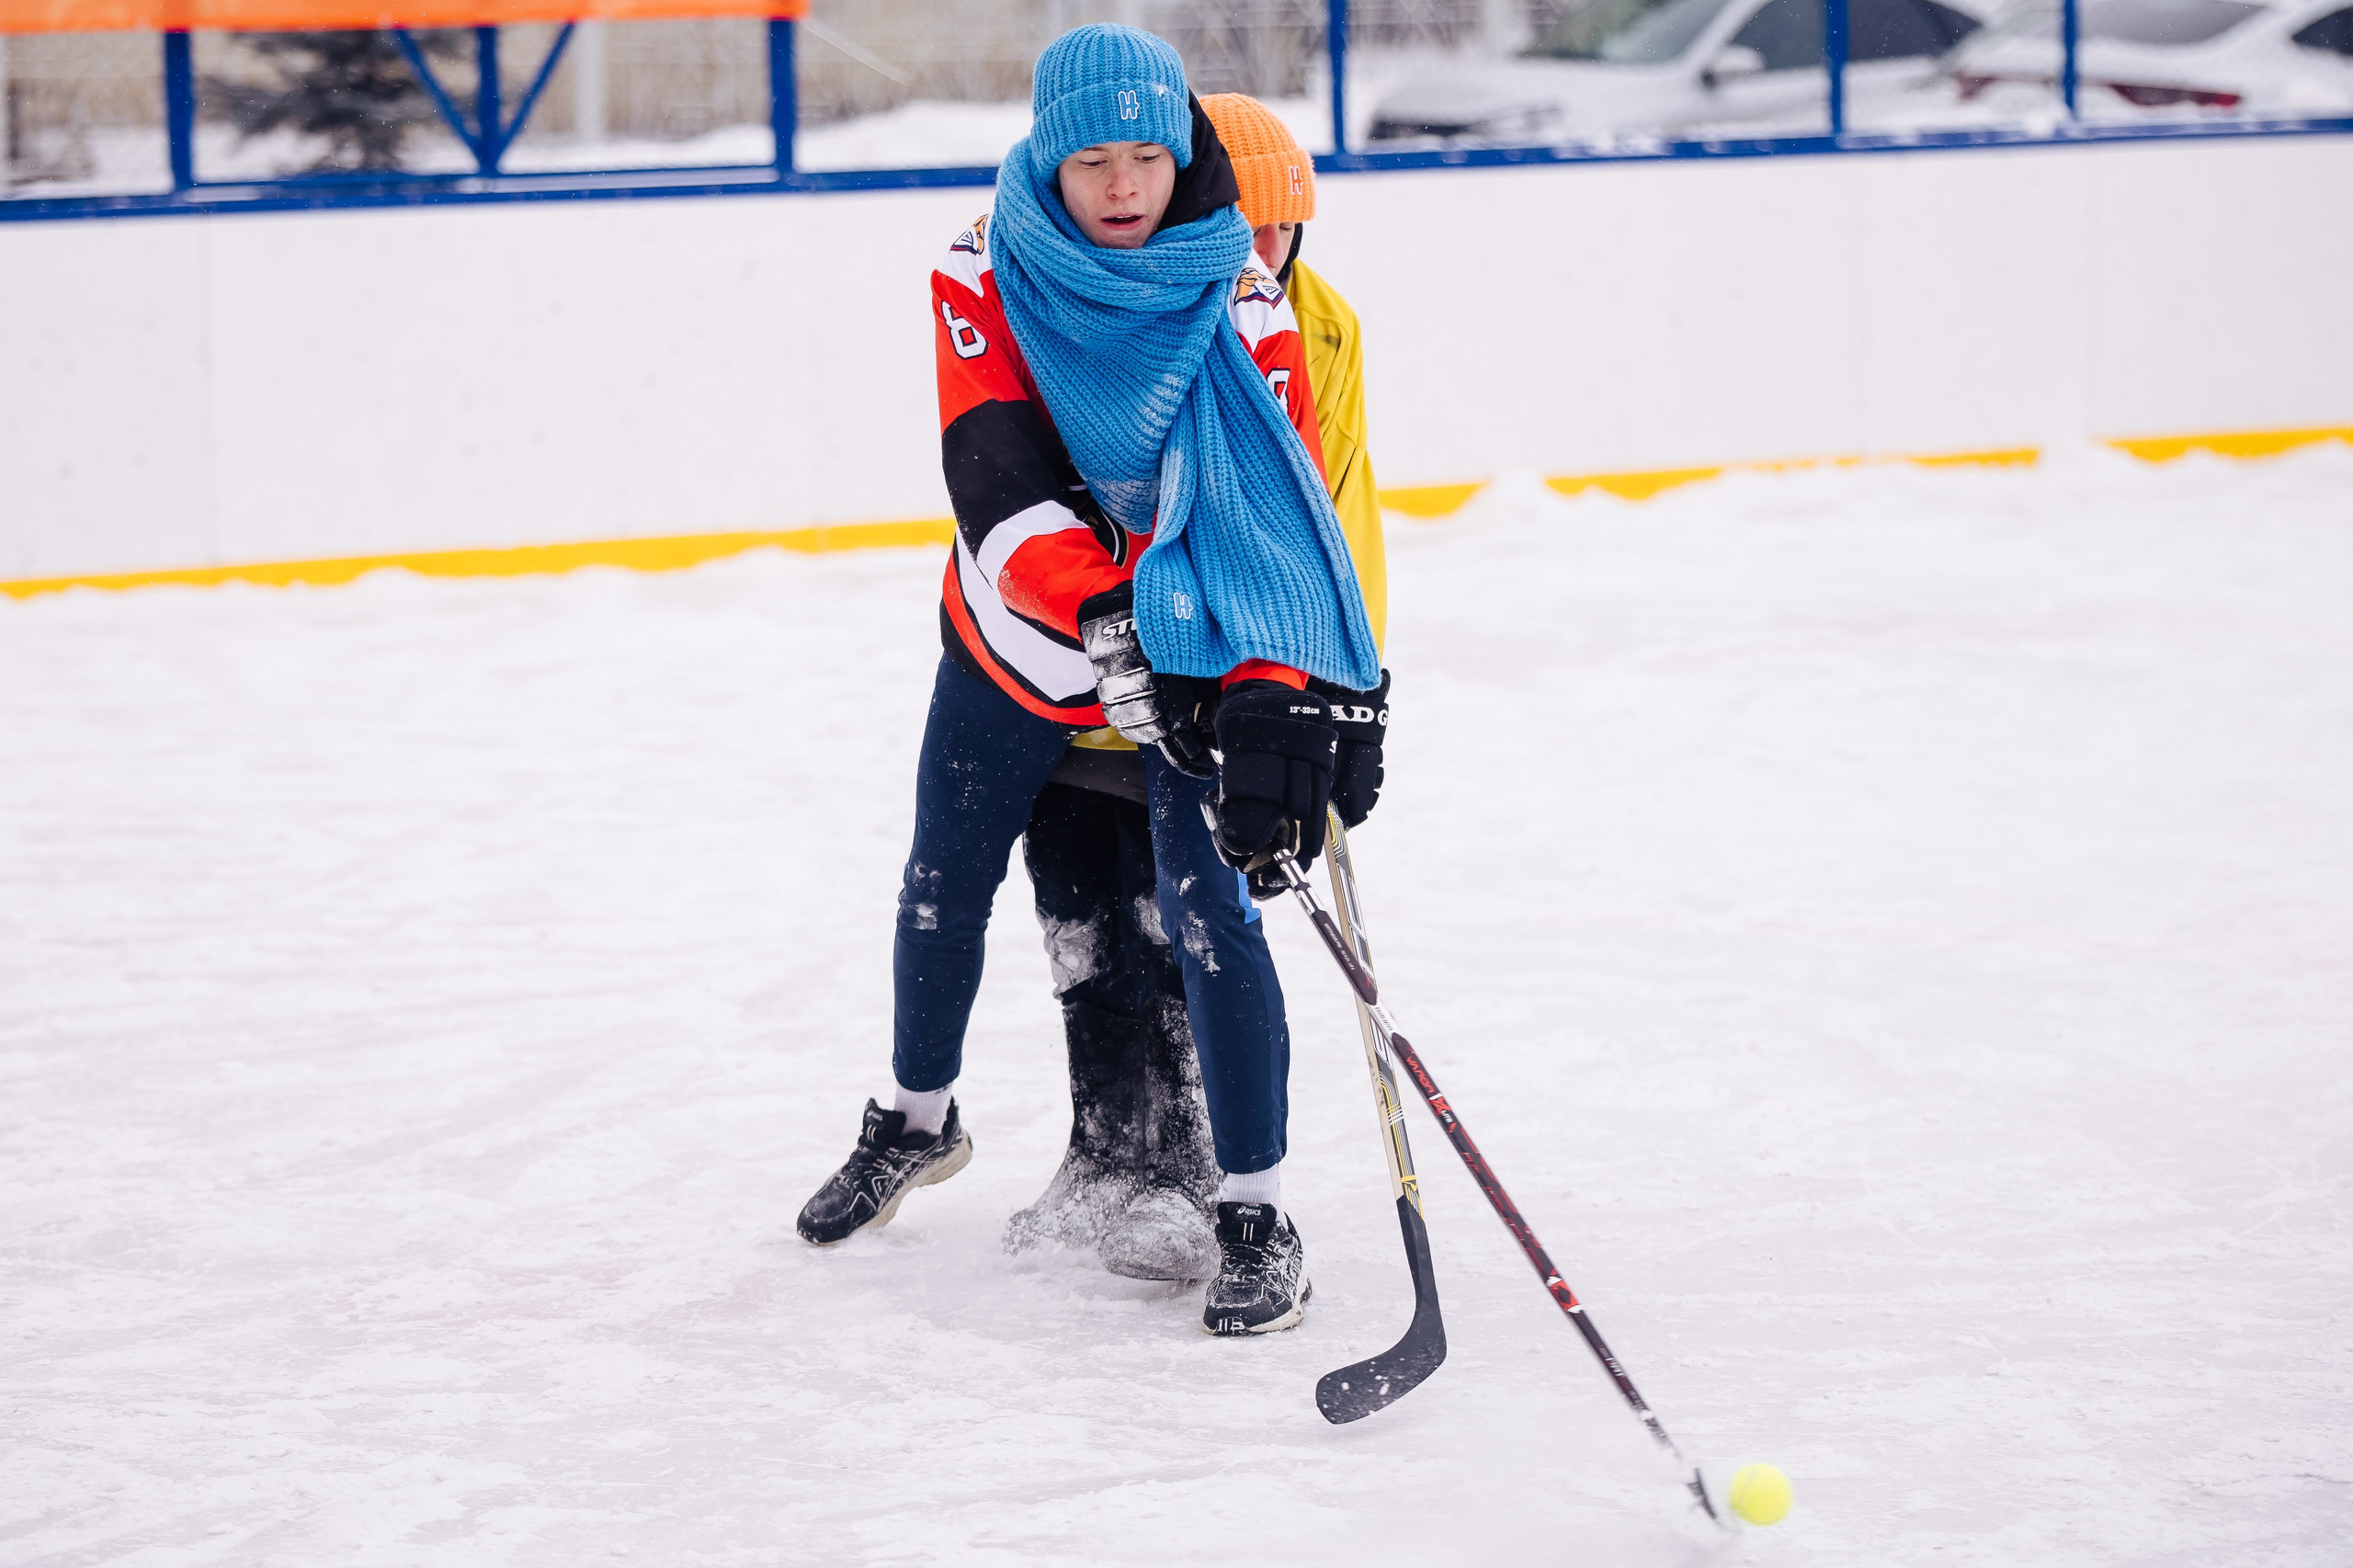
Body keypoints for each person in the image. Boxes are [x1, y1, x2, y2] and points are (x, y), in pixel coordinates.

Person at [794, 25, 1383, 1338]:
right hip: (1015, 641)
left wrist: (1269, 688)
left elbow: (1272, 524)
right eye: (1092, 161)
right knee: (942, 880)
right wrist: (1115, 622)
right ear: (1048, 164)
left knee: (1211, 912)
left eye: (1147, 158)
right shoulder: (981, 271)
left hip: (1184, 659)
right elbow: (996, 478)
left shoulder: (1244, 296)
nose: (1122, 186)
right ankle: (917, 1118)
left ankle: (1255, 1206)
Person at [1001, 91, 1392, 1285]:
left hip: (1236, 668)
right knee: (1092, 907)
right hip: (1097, 667)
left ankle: (1239, 1187)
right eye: (1245, 227)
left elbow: (1323, 526)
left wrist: (1347, 691)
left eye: (1280, 235)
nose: (1256, 255)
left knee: (1205, 912)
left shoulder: (1310, 333)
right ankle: (1120, 1148)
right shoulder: (1105, 303)